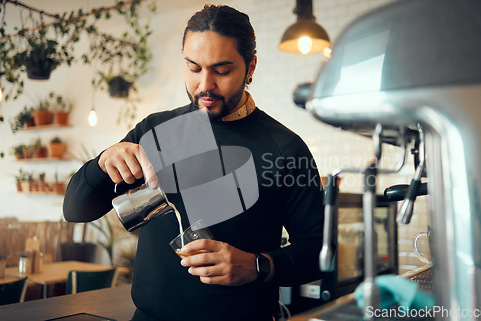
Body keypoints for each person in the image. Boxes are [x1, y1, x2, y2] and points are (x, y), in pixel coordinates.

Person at [63, 4, 324, 321]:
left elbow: (318, 251)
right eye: (193, 68)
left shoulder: (286, 149)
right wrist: (104, 161)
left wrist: (258, 265)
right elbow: (76, 210)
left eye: (222, 70)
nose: (205, 85)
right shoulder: (154, 131)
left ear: (250, 66)